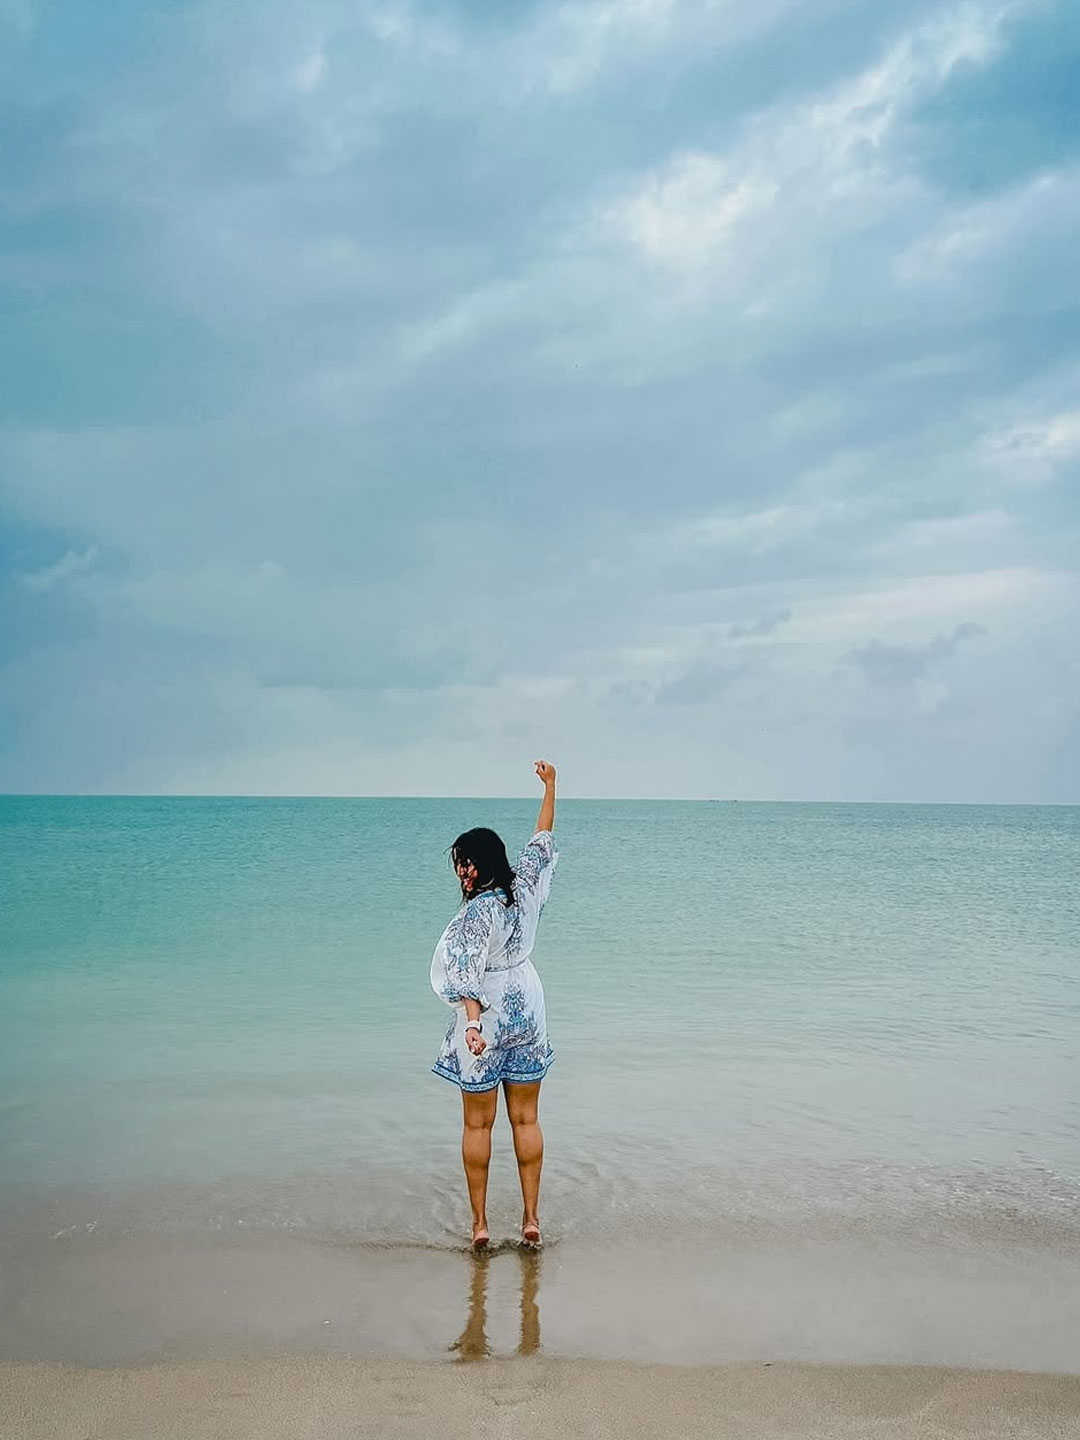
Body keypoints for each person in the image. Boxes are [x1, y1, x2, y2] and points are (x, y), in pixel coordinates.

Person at [430, 760, 558, 1250]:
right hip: (528, 1002)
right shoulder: (524, 888)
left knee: (477, 1122)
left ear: (482, 863)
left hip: (485, 1016)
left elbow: (465, 972)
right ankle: (530, 1220)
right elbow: (541, 841)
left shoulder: (478, 911)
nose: (462, 871)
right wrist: (551, 786)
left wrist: (472, 1025)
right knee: (526, 1119)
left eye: (467, 862)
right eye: (459, 864)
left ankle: (481, 1224)